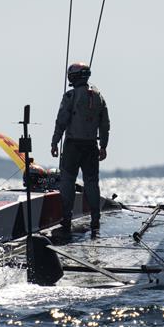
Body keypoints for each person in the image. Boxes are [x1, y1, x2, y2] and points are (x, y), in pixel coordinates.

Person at [51, 62, 110, 238]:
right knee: (92, 183)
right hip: (91, 146)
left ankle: (66, 220)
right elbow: (105, 124)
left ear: (73, 77)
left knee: (67, 182)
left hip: (72, 146)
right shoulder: (98, 96)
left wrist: (54, 142)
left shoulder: (70, 96)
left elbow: (61, 121)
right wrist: (103, 146)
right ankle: (95, 220)